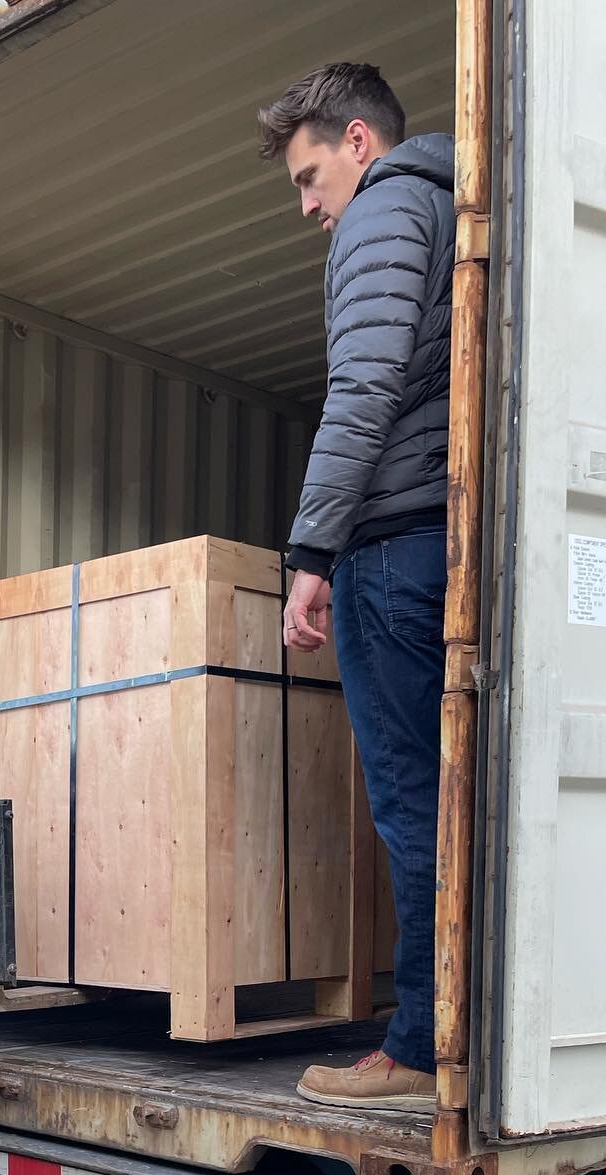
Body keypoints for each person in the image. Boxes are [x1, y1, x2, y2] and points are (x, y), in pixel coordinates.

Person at [259, 63, 453, 1114]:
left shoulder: (383, 214)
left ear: (359, 142)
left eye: (308, 175)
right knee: (437, 800)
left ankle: (420, 1048)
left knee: (412, 803)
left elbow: (364, 388)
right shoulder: (440, 207)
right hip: (426, 542)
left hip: (392, 552)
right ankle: (443, 1033)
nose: (307, 207)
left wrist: (313, 553)